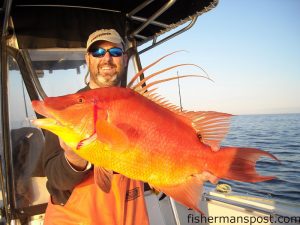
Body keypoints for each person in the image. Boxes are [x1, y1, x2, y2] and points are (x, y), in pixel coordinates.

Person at [42, 28, 218, 225]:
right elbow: (54, 179)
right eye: (98, 52)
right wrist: (73, 156)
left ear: (124, 59)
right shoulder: (69, 113)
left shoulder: (139, 104)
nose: (106, 58)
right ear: (88, 59)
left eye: (115, 52)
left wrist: (192, 170)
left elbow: (150, 168)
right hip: (77, 218)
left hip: (132, 215)